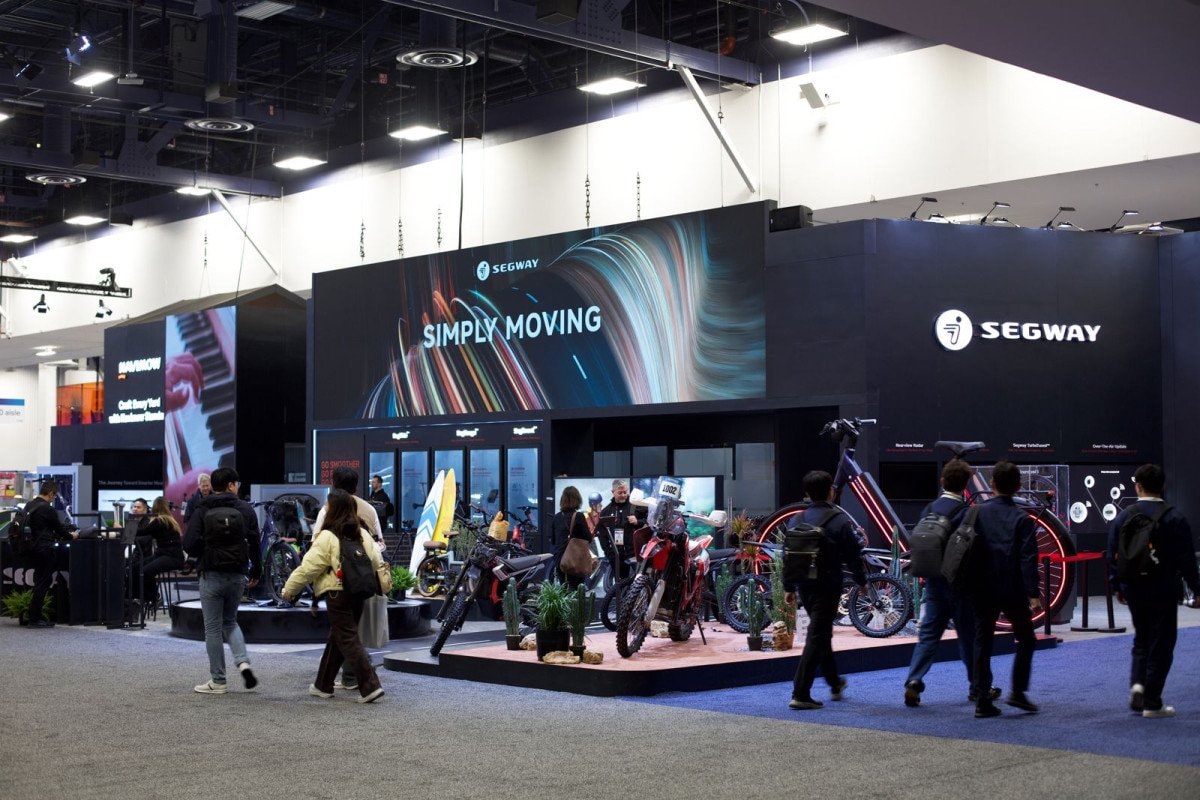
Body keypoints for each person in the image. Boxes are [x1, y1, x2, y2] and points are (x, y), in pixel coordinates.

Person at [1106, 463, 1200, 718]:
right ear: (1163, 486)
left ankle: (1138, 684)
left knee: (1142, 638)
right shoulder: (1175, 518)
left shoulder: (1123, 517)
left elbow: (1112, 555)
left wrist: (1117, 585)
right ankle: (1152, 702)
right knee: (1163, 642)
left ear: (1138, 487)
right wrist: (1197, 589)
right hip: (1164, 587)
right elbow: (1187, 560)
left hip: (1133, 586)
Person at [903, 459, 998, 707]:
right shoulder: (968, 512)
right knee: (968, 637)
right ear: (966, 484)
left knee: (928, 635)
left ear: (942, 481)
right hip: (961, 585)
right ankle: (978, 687)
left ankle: (914, 680)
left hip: (933, 582)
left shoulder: (929, 509)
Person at [282, 489, 386, 704]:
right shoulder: (362, 533)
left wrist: (289, 589)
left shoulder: (328, 537)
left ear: (333, 510)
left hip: (337, 593)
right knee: (339, 638)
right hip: (359, 591)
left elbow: (308, 568)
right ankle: (323, 685)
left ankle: (370, 685)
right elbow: (377, 561)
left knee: (347, 638)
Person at [789, 470, 867, 710]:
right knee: (817, 636)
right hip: (828, 585)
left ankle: (834, 683)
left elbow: (788, 555)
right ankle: (800, 693)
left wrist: (788, 586)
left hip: (804, 585)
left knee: (821, 634)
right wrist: (861, 581)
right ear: (831, 491)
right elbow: (853, 555)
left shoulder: (797, 519)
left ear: (807, 493)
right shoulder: (839, 520)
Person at [967, 461, 1040, 718]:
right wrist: (1033, 594)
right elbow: (1028, 559)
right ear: (1018, 486)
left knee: (982, 641)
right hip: (1012, 588)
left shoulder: (976, 513)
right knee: (1027, 639)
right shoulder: (1022, 519)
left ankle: (982, 699)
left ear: (992, 484)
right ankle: (1018, 692)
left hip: (981, 587)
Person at [181, 467, 262, 695]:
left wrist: (206, 550)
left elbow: (188, 544)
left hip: (211, 574)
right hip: (237, 574)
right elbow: (255, 542)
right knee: (230, 621)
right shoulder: (245, 509)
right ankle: (243, 662)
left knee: (213, 628)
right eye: (237, 483)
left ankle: (218, 681)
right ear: (230, 485)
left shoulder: (202, 508)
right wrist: (256, 570)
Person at [24, 480, 79, 628]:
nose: (54, 498)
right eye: (54, 496)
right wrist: (72, 535)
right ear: (50, 493)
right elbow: (60, 530)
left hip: (32, 548)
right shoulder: (47, 509)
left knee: (39, 582)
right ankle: (34, 619)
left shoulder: (30, 505)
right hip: (45, 549)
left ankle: (34, 615)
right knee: (43, 583)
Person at [313, 467, 385, 554]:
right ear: (355, 486)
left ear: (333, 484)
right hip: (365, 560)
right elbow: (380, 543)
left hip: (335, 559)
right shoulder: (370, 509)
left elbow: (315, 543)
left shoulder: (326, 510)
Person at [139, 497, 186, 604]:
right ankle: (148, 597)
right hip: (167, 555)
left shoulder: (160, 521)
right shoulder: (169, 519)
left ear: (155, 507)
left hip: (172, 557)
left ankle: (154, 598)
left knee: (144, 571)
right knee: (138, 567)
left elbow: (142, 532)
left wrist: (124, 529)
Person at [551, 485, 594, 588]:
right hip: (575, 559)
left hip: (560, 560)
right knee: (576, 589)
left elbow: (553, 540)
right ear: (577, 499)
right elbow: (588, 538)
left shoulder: (556, 517)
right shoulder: (579, 516)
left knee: (563, 589)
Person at [600, 479, 643, 574]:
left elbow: (650, 520)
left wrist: (638, 521)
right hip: (617, 556)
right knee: (621, 582)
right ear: (613, 492)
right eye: (620, 493)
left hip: (635, 554)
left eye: (625, 492)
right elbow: (602, 536)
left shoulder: (635, 505)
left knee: (638, 579)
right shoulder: (606, 512)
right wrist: (610, 554)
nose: (623, 495)